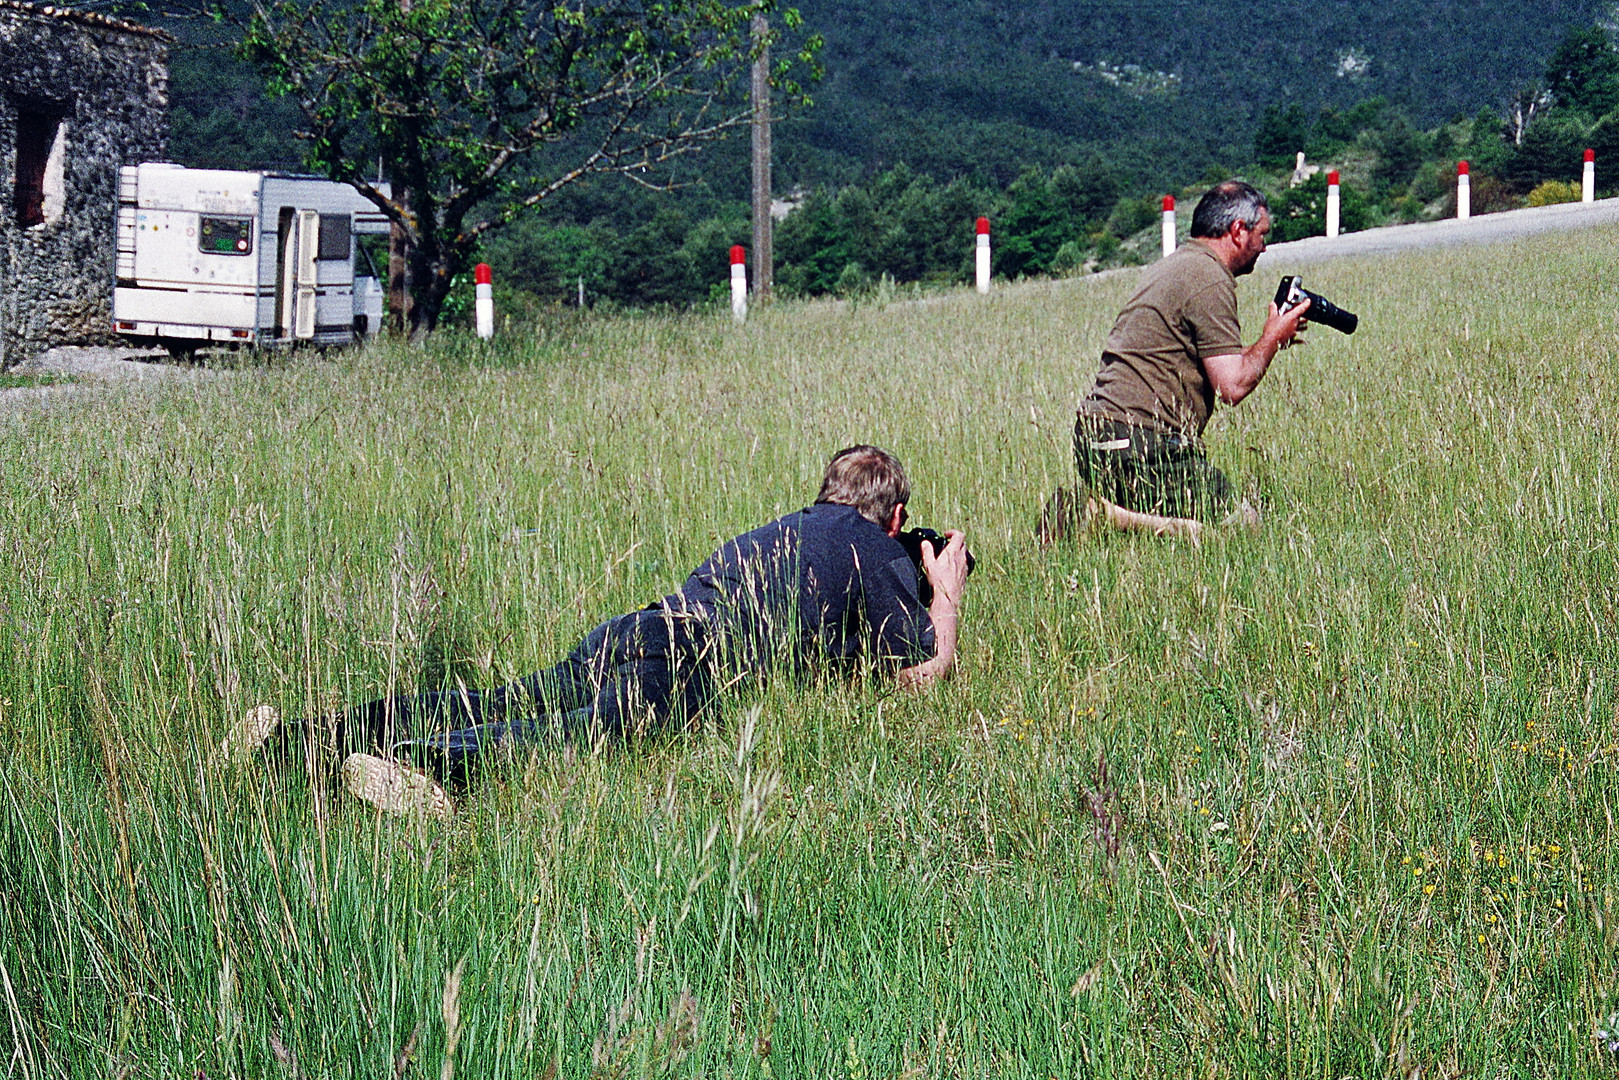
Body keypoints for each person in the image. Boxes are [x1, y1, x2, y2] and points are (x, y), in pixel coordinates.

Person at [222, 445, 970, 816]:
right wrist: (946, 589)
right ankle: (425, 769)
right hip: (690, 659)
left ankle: (294, 739)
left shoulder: (784, 529)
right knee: (581, 736)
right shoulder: (873, 545)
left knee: (496, 699)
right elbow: (921, 673)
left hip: (642, 626)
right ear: (895, 517)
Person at [1054, 179, 1311, 544]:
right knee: (1242, 531)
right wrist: (1272, 337)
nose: (1264, 246)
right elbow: (1231, 386)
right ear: (1238, 231)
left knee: (1186, 537)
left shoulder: (1176, 264)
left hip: (1098, 437)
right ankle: (1107, 515)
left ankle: (1120, 516)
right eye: (1262, 234)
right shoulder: (1208, 278)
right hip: (1140, 443)